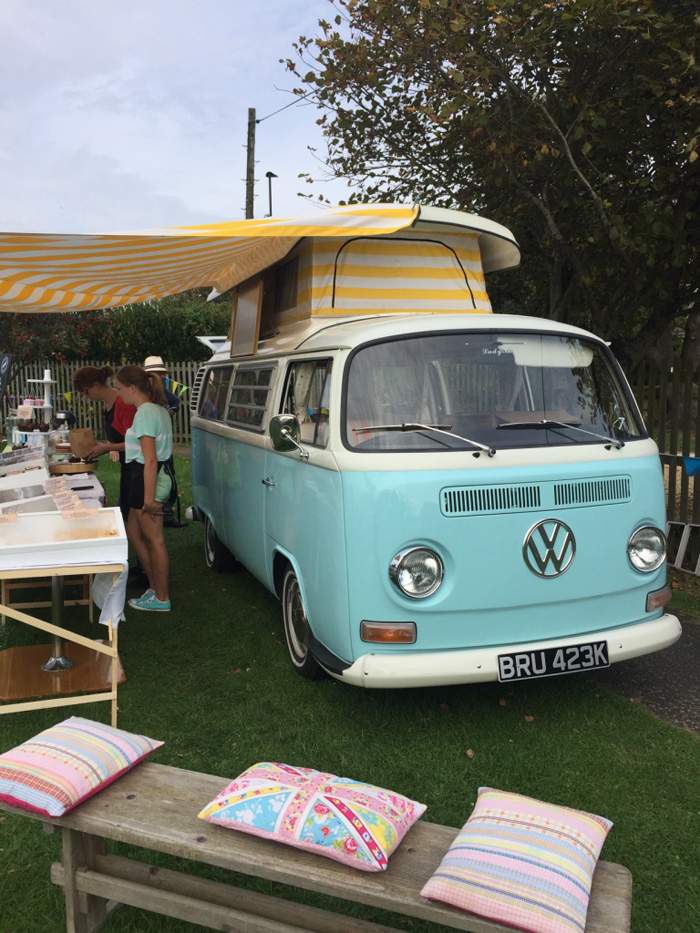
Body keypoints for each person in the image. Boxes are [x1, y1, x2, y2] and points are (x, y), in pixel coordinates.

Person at [116, 365, 174, 612]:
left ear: (132, 387)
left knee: (155, 540)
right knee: (134, 532)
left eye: (119, 389)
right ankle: (154, 587)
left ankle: (162, 598)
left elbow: (150, 459)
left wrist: (148, 499)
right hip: (139, 477)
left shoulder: (146, 413)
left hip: (146, 478)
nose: (119, 395)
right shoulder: (153, 409)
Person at [72, 365, 135, 524]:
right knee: (127, 516)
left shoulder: (124, 404)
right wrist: (101, 446)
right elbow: (119, 438)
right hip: (127, 466)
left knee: (133, 518)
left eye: (86, 391)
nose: (86, 397)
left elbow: (137, 443)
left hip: (137, 467)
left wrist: (107, 447)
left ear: (96, 384)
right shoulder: (109, 405)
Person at [143, 356, 182, 526]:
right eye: (158, 373)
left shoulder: (163, 392)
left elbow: (175, 401)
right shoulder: (143, 392)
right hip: (148, 443)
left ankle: (166, 514)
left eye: (162, 373)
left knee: (166, 477)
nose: (162, 376)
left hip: (162, 443)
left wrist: (168, 413)